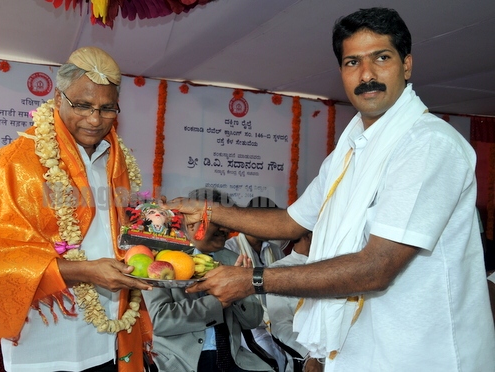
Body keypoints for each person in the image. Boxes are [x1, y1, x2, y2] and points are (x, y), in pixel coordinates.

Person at [167, 7, 495, 371]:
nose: (367, 75)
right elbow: (292, 223)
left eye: (381, 58)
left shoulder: (428, 144)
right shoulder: (351, 146)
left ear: (407, 65)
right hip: (358, 351)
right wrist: (210, 211)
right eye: (352, 62)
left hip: (419, 355)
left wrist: (253, 280)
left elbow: (377, 267)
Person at [0, 47, 154, 372]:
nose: (95, 119)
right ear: (58, 98)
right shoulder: (16, 162)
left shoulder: (117, 160)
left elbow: (120, 232)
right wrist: (81, 271)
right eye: (82, 105)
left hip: (108, 343)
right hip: (43, 346)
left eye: (107, 108)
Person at [142, 188, 274, 372]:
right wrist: (218, 301)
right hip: (182, 362)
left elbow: (253, 320)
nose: (226, 229)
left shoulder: (233, 258)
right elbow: (162, 321)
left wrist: (241, 289)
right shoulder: (160, 259)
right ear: (191, 223)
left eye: (228, 221)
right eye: (219, 220)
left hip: (233, 359)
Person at [225, 196, 287, 371]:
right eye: (268, 221)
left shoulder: (275, 250)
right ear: (252, 220)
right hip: (248, 324)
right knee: (274, 359)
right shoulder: (231, 248)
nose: (273, 226)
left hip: (277, 319)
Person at [265, 232, 313, 372]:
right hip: (304, 360)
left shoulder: (336, 268)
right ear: (306, 235)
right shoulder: (278, 272)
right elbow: (281, 327)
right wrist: (310, 355)